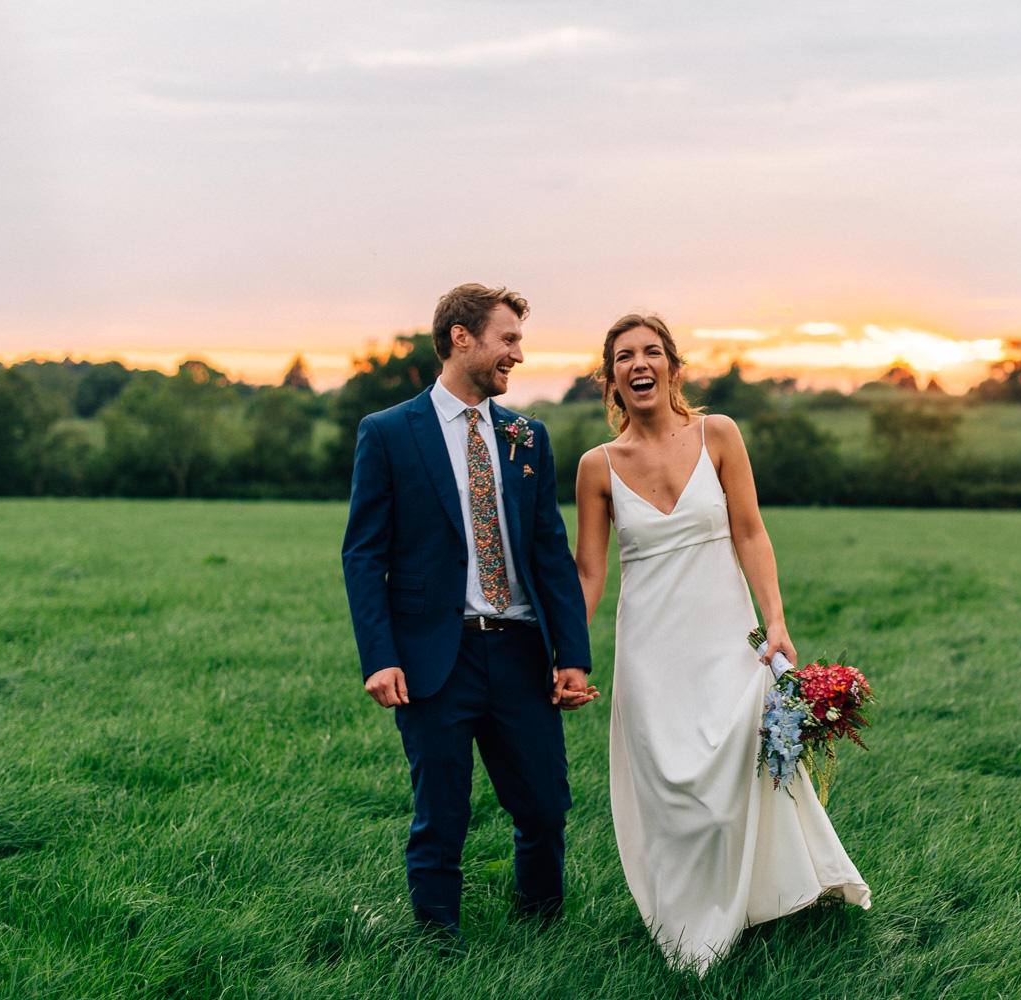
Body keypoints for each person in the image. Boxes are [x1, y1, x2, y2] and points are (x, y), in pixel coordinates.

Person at [574, 313, 869, 974]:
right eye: (625, 356)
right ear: (612, 379)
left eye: (652, 352)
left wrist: (778, 623)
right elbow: (589, 570)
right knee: (675, 790)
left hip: (724, 636)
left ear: (674, 368)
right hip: (650, 651)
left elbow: (751, 533)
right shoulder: (598, 467)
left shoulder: (720, 435)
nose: (639, 363)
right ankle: (688, 926)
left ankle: (763, 900)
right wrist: (570, 655)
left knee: (736, 774)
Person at [341, 283, 598, 940]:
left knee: (544, 807)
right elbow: (364, 555)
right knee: (442, 814)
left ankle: (543, 932)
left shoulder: (526, 437)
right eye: (507, 338)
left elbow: (549, 552)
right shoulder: (389, 433)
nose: (517, 353)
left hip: (518, 651)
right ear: (463, 338)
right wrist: (380, 657)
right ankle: (437, 949)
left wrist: (572, 655)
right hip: (434, 656)